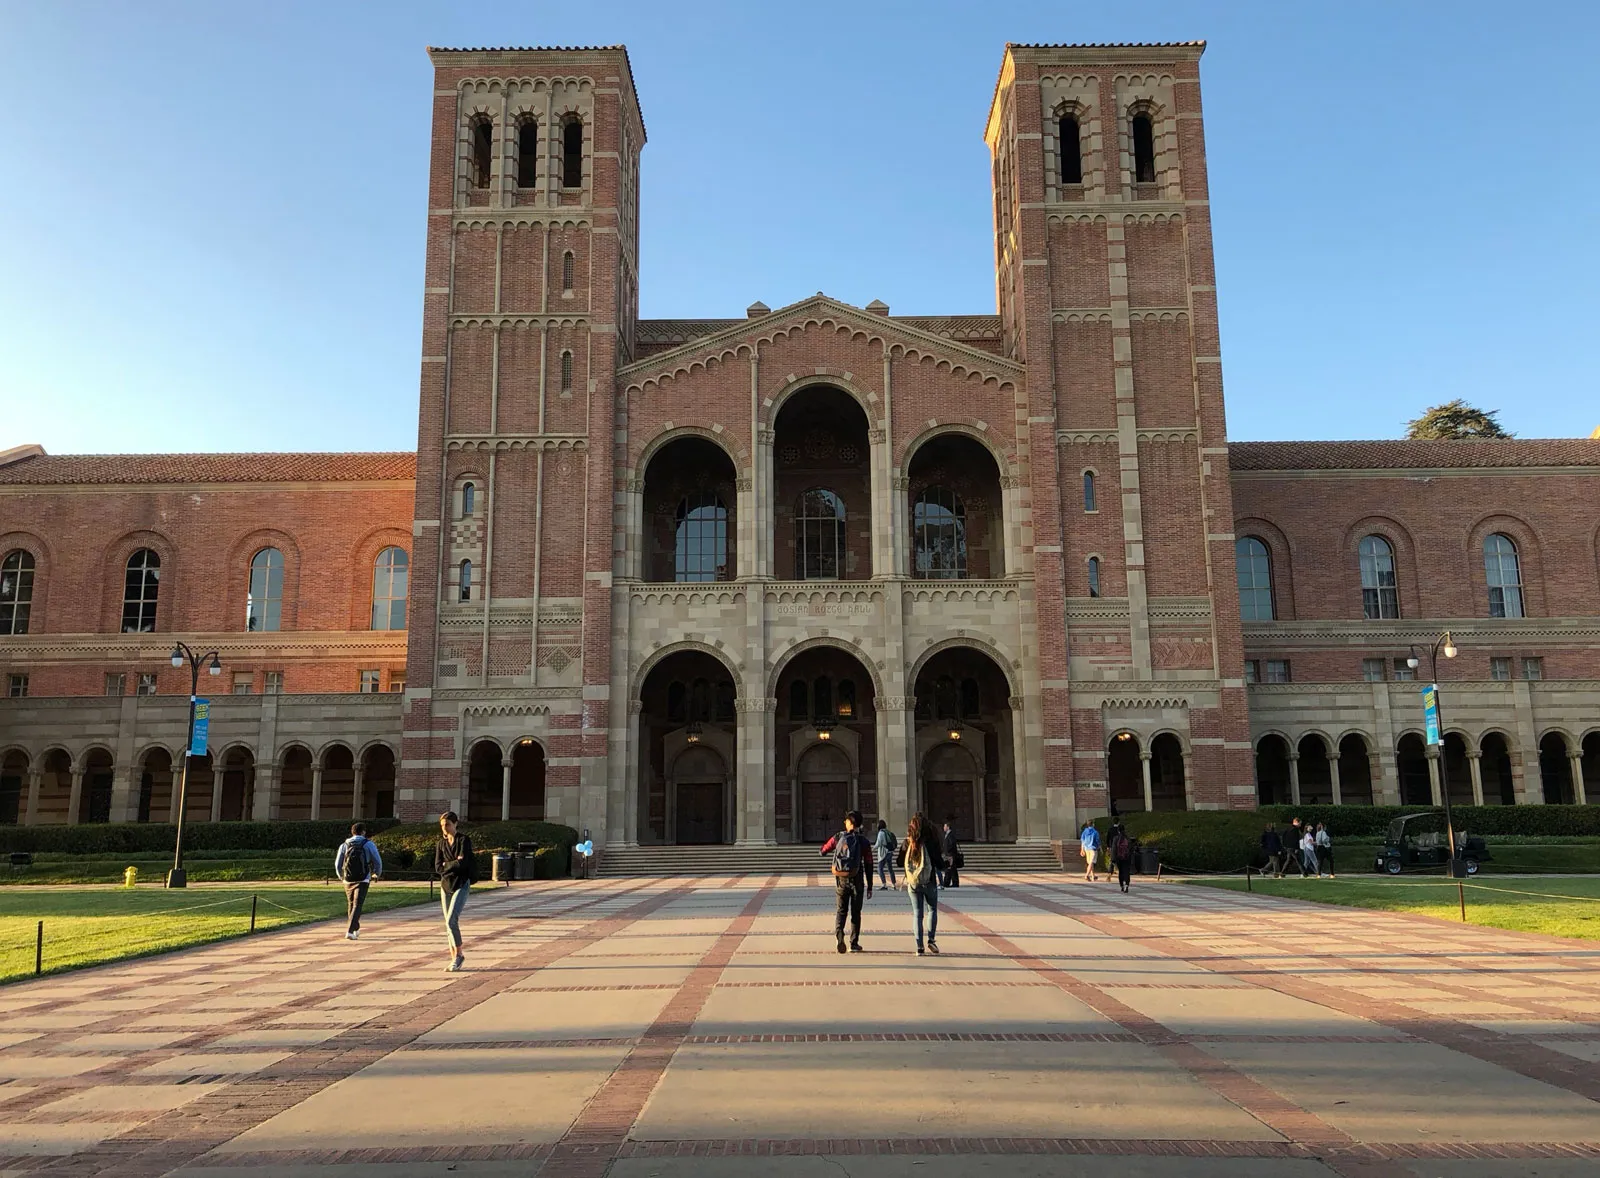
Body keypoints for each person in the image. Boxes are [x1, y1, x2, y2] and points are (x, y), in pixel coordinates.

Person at [821, 811, 873, 953]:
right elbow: (869, 863)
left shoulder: (838, 837)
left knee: (841, 910)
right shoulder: (863, 841)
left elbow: (823, 850)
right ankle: (854, 943)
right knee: (856, 912)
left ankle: (839, 936)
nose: (844, 822)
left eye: (846, 821)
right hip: (857, 879)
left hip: (841, 880)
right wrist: (870, 886)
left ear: (850, 822)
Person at [434, 811, 476, 972]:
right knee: (448, 924)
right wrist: (452, 864)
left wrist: (448, 865)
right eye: (443, 825)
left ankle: (459, 955)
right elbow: (438, 867)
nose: (445, 828)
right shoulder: (440, 844)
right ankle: (453, 957)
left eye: (448, 825)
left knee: (452, 919)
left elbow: (463, 863)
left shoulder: (463, 840)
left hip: (461, 883)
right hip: (446, 886)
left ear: (455, 824)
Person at [903, 812, 943, 955]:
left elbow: (898, 861)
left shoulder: (908, 841)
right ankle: (931, 940)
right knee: (932, 910)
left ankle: (919, 946)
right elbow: (939, 863)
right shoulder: (931, 841)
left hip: (913, 883)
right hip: (929, 881)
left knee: (917, 914)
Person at [334, 822, 383, 940]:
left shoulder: (344, 845)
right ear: (363, 832)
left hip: (348, 879)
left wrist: (341, 875)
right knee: (357, 904)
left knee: (351, 904)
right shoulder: (368, 844)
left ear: (352, 832)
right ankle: (350, 931)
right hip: (363, 878)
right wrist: (377, 873)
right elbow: (377, 860)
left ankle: (355, 928)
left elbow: (338, 863)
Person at [1109, 821, 1134, 894]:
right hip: (1127, 857)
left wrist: (1113, 859)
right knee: (1126, 871)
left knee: (1121, 872)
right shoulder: (1128, 838)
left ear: (1118, 830)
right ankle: (1127, 884)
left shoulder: (1116, 838)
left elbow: (1114, 849)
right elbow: (1131, 848)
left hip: (1119, 857)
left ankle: (1122, 886)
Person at [874, 819, 898, 889]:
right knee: (890, 869)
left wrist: (872, 849)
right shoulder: (888, 832)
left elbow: (879, 843)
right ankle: (894, 884)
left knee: (879, 868)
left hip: (884, 853)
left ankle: (884, 884)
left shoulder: (881, 833)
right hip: (890, 852)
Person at [940, 818, 962, 888]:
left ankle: (953, 883)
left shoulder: (951, 835)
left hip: (950, 855)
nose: (944, 828)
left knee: (951, 869)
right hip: (948, 855)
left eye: (945, 826)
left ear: (948, 827)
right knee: (950, 869)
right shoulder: (947, 834)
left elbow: (952, 844)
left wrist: (948, 852)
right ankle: (947, 882)